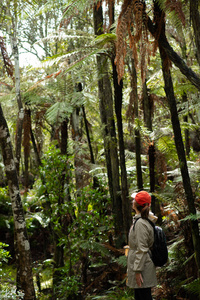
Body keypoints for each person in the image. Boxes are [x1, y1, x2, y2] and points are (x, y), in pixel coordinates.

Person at [126, 190, 157, 300]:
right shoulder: (142, 220)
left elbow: (142, 249)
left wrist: (138, 271)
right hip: (141, 265)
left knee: (143, 296)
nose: (132, 201)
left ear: (136, 204)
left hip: (142, 267)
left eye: (134, 200)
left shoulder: (141, 224)